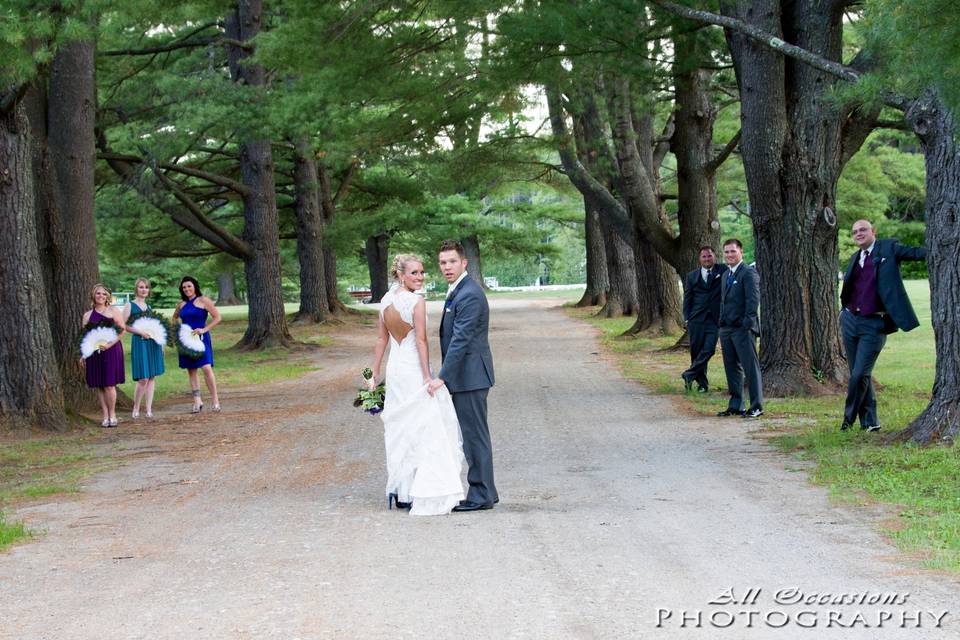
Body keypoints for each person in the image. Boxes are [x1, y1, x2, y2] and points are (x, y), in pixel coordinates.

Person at [370, 254, 465, 515]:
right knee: (423, 425)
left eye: (422, 273)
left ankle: (401, 489)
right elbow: (421, 340)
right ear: (401, 275)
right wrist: (427, 377)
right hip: (412, 369)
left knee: (401, 427)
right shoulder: (416, 301)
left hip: (396, 369)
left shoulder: (385, 301)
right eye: (414, 273)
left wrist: (375, 370)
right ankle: (416, 488)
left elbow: (382, 340)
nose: (420, 277)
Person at [427, 240, 498, 512]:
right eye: (443, 262)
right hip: (466, 376)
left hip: (471, 377)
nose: (447, 267)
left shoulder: (469, 293)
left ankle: (481, 495)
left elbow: (461, 340)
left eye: (452, 262)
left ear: (464, 263)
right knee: (474, 435)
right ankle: (486, 491)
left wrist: (442, 377)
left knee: (474, 436)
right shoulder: (457, 290)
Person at [838, 219, 927, 432]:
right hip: (850, 320)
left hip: (874, 323)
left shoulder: (889, 248)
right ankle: (870, 422)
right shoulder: (854, 258)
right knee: (859, 373)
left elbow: (916, 253)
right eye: (855, 232)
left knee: (860, 374)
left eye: (863, 230)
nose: (858, 234)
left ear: (873, 232)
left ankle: (848, 421)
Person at [717, 239, 764, 418]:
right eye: (727, 252)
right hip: (727, 329)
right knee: (732, 368)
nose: (729, 255)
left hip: (743, 329)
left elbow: (753, 301)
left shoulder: (748, 273)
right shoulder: (725, 276)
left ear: (741, 252)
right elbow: (723, 301)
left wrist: (746, 324)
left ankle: (757, 406)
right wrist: (721, 322)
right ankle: (736, 404)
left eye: (733, 251)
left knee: (750, 368)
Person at [172, 276, 221, 414]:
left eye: (189, 286)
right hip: (186, 341)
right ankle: (197, 401)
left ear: (195, 286)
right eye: (184, 287)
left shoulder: (203, 300)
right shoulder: (181, 304)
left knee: (206, 368)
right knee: (191, 370)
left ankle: (215, 400)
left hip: (201, 339)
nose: (187, 289)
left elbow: (218, 317)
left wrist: (204, 329)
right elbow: (174, 319)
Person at [681, 246, 727, 393]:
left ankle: (689, 374)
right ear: (699, 259)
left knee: (709, 350)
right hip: (696, 319)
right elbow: (687, 298)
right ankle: (702, 384)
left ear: (714, 256)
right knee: (696, 351)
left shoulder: (722, 270)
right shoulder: (692, 276)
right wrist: (687, 318)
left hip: (714, 319)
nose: (707, 259)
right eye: (704, 257)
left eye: (709, 256)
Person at [81, 284, 126, 427]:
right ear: (93, 295)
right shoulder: (87, 315)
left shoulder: (113, 311)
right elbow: (85, 337)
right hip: (94, 352)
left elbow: (122, 331)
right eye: (98, 294)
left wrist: (109, 345)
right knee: (99, 385)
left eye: (104, 294)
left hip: (111, 350)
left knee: (109, 384)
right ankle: (105, 416)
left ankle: (113, 414)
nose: (101, 296)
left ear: (108, 297)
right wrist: (83, 355)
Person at [122, 278, 165, 419]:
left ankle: (148, 409)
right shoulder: (130, 305)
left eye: (146, 287)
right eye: (141, 287)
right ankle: (136, 408)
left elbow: (155, 328)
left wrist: (161, 344)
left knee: (152, 376)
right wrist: (140, 332)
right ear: (136, 289)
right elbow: (124, 326)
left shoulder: (149, 307)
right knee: (143, 378)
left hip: (153, 344)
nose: (144, 289)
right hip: (140, 342)